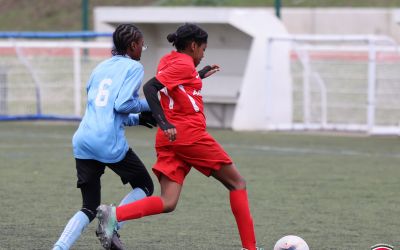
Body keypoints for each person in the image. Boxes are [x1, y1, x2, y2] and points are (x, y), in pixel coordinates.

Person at [95, 23, 261, 250]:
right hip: (188, 135)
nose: (203, 55)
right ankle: (250, 248)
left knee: (168, 201)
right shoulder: (184, 64)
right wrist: (164, 122)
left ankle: (114, 214)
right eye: (203, 49)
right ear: (193, 46)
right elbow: (151, 88)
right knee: (237, 183)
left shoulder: (170, 61)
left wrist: (199, 75)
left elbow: (175, 87)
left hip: (170, 141)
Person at [52, 23, 157, 250]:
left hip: (84, 139)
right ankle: (112, 222)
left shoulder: (100, 67)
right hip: (108, 143)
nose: (142, 49)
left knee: (88, 207)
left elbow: (106, 110)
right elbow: (122, 104)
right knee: (146, 186)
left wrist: (137, 119)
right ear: (132, 46)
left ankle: (59, 248)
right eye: (141, 45)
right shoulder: (134, 67)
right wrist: (151, 105)